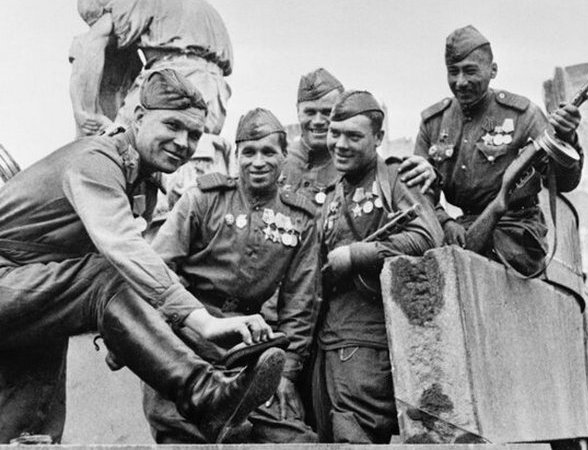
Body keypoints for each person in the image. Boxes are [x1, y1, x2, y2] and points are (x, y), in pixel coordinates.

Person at [0, 69, 282, 444]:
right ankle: (203, 394)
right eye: (172, 125)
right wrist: (204, 323)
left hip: (33, 299)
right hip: (11, 281)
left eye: (194, 134)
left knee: (26, 437)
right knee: (106, 276)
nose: (183, 142)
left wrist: (135, 334)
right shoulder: (96, 160)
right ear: (138, 118)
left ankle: (212, 391)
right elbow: (122, 254)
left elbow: (141, 281)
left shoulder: (143, 185)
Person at [142, 108, 319, 444]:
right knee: (184, 435)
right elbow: (157, 269)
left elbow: (300, 303)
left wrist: (287, 373)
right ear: (237, 156)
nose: (258, 162)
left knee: (294, 440)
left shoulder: (300, 219)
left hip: (248, 349)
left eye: (268, 152)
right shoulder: (204, 199)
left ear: (284, 155)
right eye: (249, 152)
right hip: (186, 340)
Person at [312, 90, 443, 443]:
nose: (340, 144)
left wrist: (356, 255)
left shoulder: (395, 177)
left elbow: (427, 238)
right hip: (329, 340)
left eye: (353, 136)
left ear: (378, 138)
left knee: (355, 436)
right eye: (334, 133)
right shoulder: (331, 192)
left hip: (369, 342)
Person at [414, 25, 584, 276]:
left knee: (471, 267)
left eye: (470, 71)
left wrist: (568, 137)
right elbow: (417, 189)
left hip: (517, 231)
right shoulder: (434, 122)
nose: (460, 82)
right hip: (459, 227)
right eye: (453, 72)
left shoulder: (523, 115)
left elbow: (565, 182)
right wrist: (445, 221)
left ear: (493, 70)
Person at [69, 0, 233, 138]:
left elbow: (89, 45)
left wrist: (86, 113)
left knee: (117, 143)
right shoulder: (201, 8)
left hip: (170, 79)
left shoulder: (132, 2)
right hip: (214, 90)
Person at [281, 67, 438, 207]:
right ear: (298, 112)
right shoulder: (279, 162)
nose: (318, 121)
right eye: (309, 112)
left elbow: (420, 209)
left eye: (327, 112)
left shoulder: (362, 163)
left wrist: (430, 178)